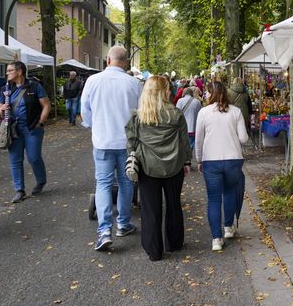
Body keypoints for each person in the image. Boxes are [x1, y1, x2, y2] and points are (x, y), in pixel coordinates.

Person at [81, 46, 142, 251]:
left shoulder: (93, 81)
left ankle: (104, 230)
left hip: (102, 141)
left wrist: (93, 125)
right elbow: (140, 113)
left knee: (104, 184)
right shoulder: (134, 83)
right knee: (126, 183)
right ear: (125, 62)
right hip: (127, 142)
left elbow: (85, 109)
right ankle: (123, 224)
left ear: (107, 60)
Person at [125, 76, 192, 261]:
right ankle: (174, 243)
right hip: (174, 166)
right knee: (174, 205)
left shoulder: (138, 116)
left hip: (147, 167)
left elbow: (131, 142)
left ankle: (154, 250)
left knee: (150, 209)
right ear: (165, 92)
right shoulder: (176, 114)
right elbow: (184, 141)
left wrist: (132, 159)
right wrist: (187, 162)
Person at [195, 81, 249, 251]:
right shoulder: (236, 111)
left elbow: (199, 139)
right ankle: (228, 227)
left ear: (210, 94)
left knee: (214, 198)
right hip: (233, 158)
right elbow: (243, 139)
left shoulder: (203, 112)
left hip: (211, 159)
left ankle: (216, 239)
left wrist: (199, 159)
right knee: (229, 191)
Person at [0, 61, 51, 203]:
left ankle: (41, 180)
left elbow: (46, 105)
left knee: (34, 158)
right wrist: (1, 108)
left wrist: (41, 122)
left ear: (19, 71)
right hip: (13, 130)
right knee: (15, 160)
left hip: (32, 129)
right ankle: (19, 190)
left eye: (10, 70)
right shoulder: (5, 88)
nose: (7, 73)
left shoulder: (35, 86)